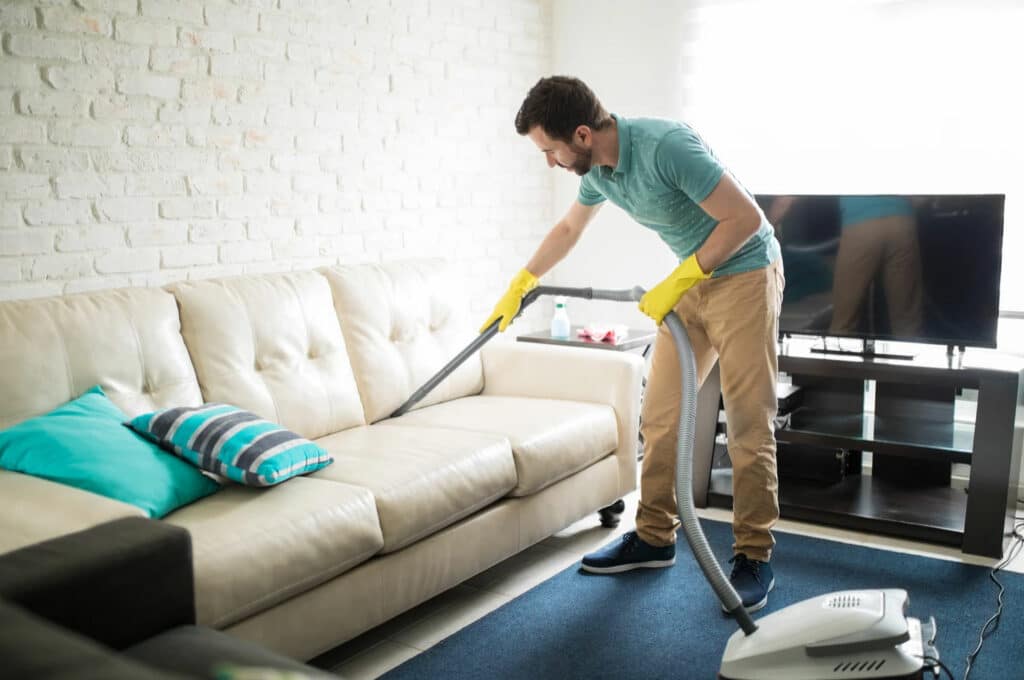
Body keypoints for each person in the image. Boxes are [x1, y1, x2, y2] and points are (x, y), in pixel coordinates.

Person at [480, 76, 785, 612]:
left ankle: (754, 556)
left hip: (746, 274)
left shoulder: (666, 146)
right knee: (661, 416)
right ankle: (653, 537)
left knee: (746, 424)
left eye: (550, 150)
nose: (549, 162)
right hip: (692, 280)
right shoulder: (598, 171)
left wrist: (679, 279)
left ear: (580, 134)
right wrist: (521, 283)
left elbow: (745, 218)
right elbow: (570, 230)